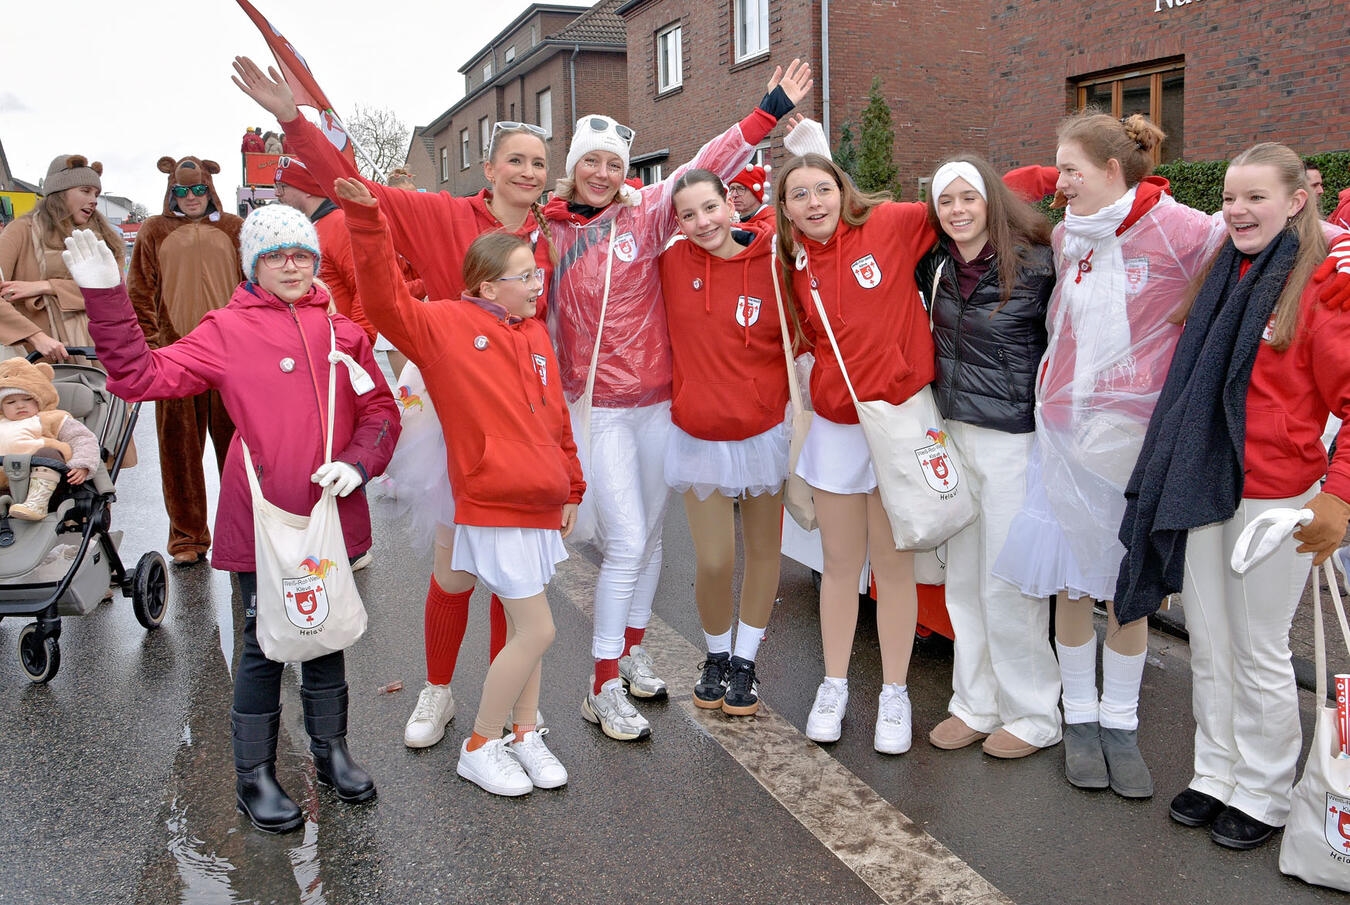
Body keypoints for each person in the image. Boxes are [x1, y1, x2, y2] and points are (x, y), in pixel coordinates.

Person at [232, 55, 554, 751]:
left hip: (531, 418)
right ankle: (439, 692)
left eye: (538, 162)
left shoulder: (552, 231)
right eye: (516, 161)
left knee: (518, 575)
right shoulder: (443, 218)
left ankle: (513, 720)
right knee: (454, 565)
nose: (529, 173)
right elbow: (359, 186)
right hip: (459, 416)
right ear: (490, 170)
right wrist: (294, 119)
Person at [66, 204, 400, 833]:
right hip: (263, 519)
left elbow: (381, 409)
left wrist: (360, 462)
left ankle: (330, 752)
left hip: (332, 515)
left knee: (326, 637)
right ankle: (255, 776)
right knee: (262, 646)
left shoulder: (344, 333)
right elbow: (140, 377)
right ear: (252, 264)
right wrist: (106, 295)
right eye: (275, 254)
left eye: (301, 252)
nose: (292, 264)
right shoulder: (226, 330)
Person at [542, 59, 812, 742]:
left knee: (652, 538)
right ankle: (599, 683)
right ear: (573, 168)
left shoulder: (648, 214)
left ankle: (631, 649)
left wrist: (769, 108)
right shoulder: (550, 232)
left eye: (613, 162)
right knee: (626, 539)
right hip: (600, 408)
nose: (602, 172)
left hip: (660, 405)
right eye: (590, 162)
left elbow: (706, 164)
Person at [1117, 143, 1350, 849]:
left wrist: (1337, 496)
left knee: (1258, 648)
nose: (1239, 210)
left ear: (1296, 199)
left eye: (1256, 196)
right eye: (1229, 198)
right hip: (1201, 480)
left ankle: (1267, 787)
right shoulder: (1226, 269)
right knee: (1213, 643)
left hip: (1275, 499)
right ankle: (1217, 770)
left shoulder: (1320, 283)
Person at [992, 112, 1227, 798]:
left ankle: (1121, 720)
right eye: (1059, 168)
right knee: (1070, 578)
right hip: (1063, 430)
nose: (1059, 182)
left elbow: (1252, 247)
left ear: (1113, 171)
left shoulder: (1181, 227)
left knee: (1128, 585)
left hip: (1135, 438)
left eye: (1070, 169)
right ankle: (1082, 716)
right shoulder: (1068, 238)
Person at [334, 176, 583, 797]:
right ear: (486, 285)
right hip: (491, 500)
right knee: (538, 629)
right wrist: (367, 223)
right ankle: (480, 741)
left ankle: (523, 732)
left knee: (529, 623)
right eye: (525, 276)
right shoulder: (445, 325)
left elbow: (556, 420)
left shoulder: (534, 335)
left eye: (537, 272)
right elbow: (387, 301)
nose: (538, 283)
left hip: (536, 497)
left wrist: (571, 487)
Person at [771, 141, 934, 754]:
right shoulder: (794, 266)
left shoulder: (890, 225)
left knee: (894, 568)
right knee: (839, 567)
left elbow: (960, 198)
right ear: (786, 211)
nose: (814, 202)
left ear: (843, 191)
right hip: (839, 430)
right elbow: (804, 337)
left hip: (897, 426)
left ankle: (895, 692)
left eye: (822, 189)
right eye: (799, 195)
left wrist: (1057, 174)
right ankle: (833, 684)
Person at [916, 155, 1061, 759]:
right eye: (945, 201)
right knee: (964, 581)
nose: (956, 210)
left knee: (1009, 580)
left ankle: (1032, 712)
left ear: (990, 201)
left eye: (966, 198)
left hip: (1011, 440)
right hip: (952, 435)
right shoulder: (935, 265)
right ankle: (974, 702)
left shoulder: (1035, 266)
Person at [658, 168, 789, 716]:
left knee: (763, 553)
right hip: (699, 432)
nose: (702, 222)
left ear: (730, 204)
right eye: (687, 215)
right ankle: (715, 653)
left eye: (709, 207)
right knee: (715, 559)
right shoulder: (668, 263)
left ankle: (745, 661)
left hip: (763, 429)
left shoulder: (774, 261)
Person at [126, 155, 242, 566]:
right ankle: (187, 538)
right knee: (179, 455)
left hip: (232, 359)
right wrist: (152, 348)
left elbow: (253, 287)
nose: (191, 197)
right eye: (181, 190)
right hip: (175, 359)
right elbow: (140, 291)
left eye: (198, 189)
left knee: (240, 453)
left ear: (209, 189)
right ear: (170, 191)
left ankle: (243, 531)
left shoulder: (234, 228)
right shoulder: (154, 230)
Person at [0, 155, 124, 362]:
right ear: (59, 193)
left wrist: (47, 287)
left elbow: (113, 292)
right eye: (85, 191)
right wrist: (35, 336)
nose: (94, 200)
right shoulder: (21, 230)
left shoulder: (104, 239)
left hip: (99, 353)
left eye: (96, 193)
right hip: (36, 360)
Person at [272, 156, 378, 342]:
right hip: (317, 344)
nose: (278, 194)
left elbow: (366, 290)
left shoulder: (339, 224)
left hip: (339, 346)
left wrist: (357, 342)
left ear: (306, 190)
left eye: (283, 186)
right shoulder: (311, 227)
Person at [0, 357, 100, 520]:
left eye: (27, 399)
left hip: (47, 482)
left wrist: (82, 464)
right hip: (6, 482)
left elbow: (83, 439)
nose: (20, 405)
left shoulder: (52, 418)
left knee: (48, 453)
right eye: (11, 402)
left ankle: (37, 502)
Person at [727, 164, 774, 229]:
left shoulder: (773, 224)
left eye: (741, 189)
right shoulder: (739, 224)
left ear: (756, 192)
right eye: (732, 189)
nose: (734, 195)